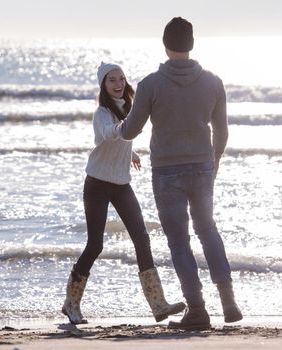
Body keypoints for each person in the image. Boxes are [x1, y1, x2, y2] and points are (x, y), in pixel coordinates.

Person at [118, 17, 243, 330]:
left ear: (165, 44)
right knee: (208, 230)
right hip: (203, 166)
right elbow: (222, 131)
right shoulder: (213, 82)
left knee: (179, 241)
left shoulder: (150, 84)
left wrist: (113, 127)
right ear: (191, 44)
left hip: (167, 171)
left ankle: (198, 309)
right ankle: (228, 300)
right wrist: (214, 160)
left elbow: (131, 130)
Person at [61, 62, 185, 325]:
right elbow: (108, 134)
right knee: (95, 245)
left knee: (142, 238)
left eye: (121, 79)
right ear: (103, 86)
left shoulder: (129, 107)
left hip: (121, 184)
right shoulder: (102, 113)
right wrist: (125, 131)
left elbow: (122, 140)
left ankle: (158, 304)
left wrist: (132, 152)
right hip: (97, 183)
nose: (118, 84)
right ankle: (71, 303)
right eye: (111, 80)